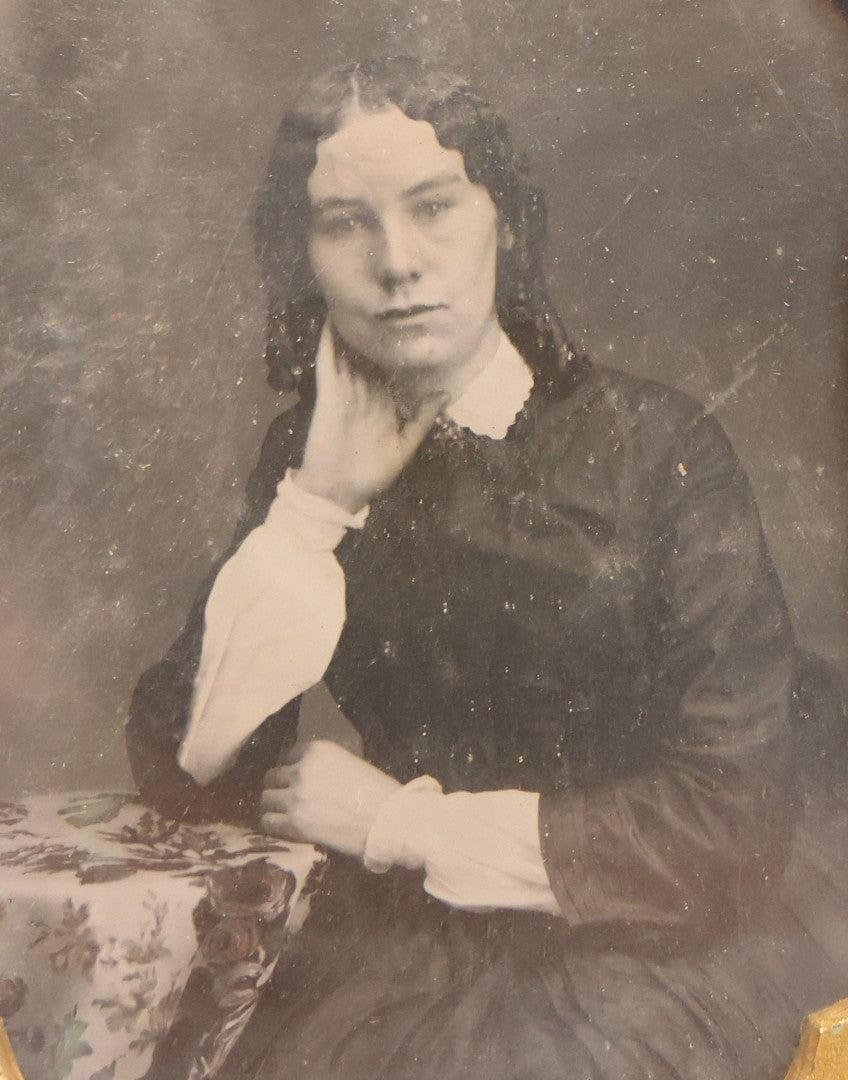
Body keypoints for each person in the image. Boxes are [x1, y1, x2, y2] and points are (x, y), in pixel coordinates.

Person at [126, 57, 846, 1080]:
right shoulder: (307, 452)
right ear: (302, 257)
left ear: (503, 222)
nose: (396, 263)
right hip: (414, 939)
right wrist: (312, 507)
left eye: (432, 208)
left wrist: (395, 822)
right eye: (344, 223)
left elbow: (727, 816)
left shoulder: (658, 447)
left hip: (658, 932)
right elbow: (187, 758)